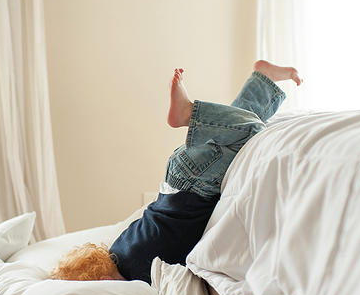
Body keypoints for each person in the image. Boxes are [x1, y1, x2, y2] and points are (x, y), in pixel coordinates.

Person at [52, 60, 301, 283]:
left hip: (196, 184)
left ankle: (188, 112)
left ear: (104, 279)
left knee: (252, 133)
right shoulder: (119, 248)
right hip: (177, 176)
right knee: (233, 131)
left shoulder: (141, 273)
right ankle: (262, 78)